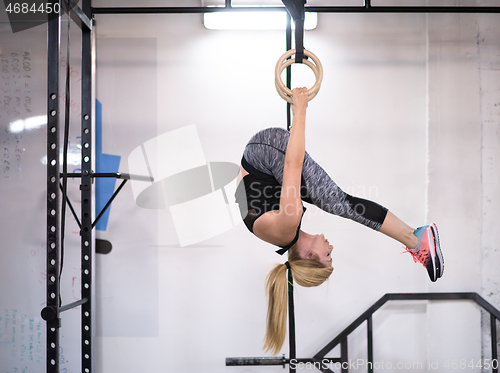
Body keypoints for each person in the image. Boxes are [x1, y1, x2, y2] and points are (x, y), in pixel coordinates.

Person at [234, 87, 444, 355]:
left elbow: (293, 165)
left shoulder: (287, 225)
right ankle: (415, 237)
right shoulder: (282, 232)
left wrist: (300, 112)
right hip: (262, 161)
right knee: (331, 201)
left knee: (337, 203)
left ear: (309, 255)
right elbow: (248, 190)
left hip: (264, 151)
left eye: (327, 256)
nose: (331, 249)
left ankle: (417, 240)